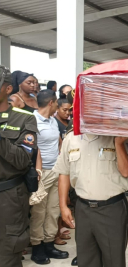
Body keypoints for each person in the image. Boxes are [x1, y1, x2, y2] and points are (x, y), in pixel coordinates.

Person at [54, 126, 128, 267]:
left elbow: (126, 171)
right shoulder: (71, 138)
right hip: (83, 208)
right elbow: (64, 173)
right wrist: (63, 206)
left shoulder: (116, 135)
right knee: (86, 259)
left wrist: (118, 144)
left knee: (114, 260)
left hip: (112, 209)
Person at [0, 65, 39, 267]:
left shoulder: (24, 118)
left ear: (7, 89)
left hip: (8, 197)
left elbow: (24, 160)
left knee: (8, 254)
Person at [30, 90, 69, 264]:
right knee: (39, 211)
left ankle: (49, 243)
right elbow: (33, 148)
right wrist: (37, 172)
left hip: (56, 170)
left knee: (53, 210)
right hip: (41, 172)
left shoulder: (53, 121)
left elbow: (58, 141)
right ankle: (37, 246)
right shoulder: (32, 121)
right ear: (51, 103)